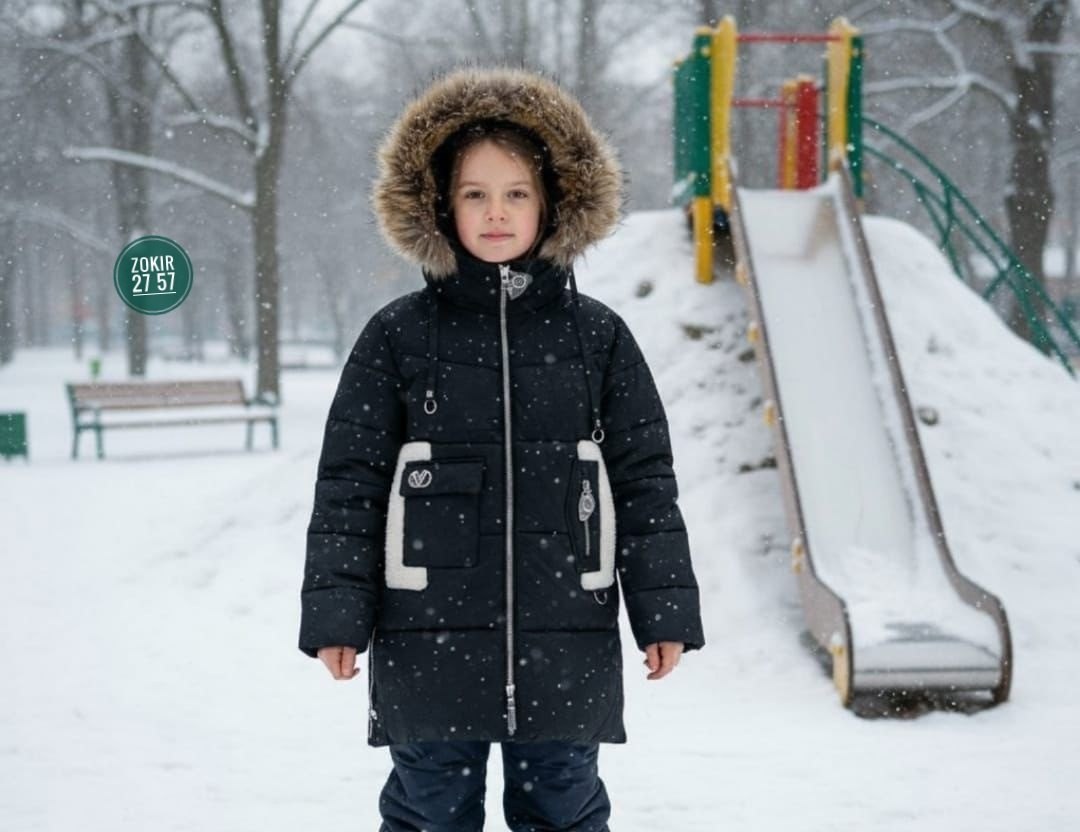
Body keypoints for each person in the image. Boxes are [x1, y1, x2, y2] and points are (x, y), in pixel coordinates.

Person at [298, 67, 705, 832]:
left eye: (517, 192)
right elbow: (351, 485)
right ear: (439, 206)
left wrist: (664, 610)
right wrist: (337, 612)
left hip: (566, 633)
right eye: (474, 194)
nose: (495, 212)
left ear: (552, 203)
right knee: (431, 808)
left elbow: (644, 482)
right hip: (427, 633)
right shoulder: (398, 337)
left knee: (563, 805)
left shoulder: (597, 339)